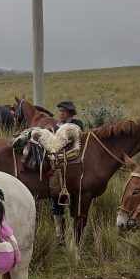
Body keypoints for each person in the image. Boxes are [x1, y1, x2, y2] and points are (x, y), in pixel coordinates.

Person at [50, 101, 85, 238]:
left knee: (74, 200)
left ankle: (71, 230)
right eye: (59, 111)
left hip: (73, 165)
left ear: (70, 113)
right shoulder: (56, 125)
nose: (60, 114)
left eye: (63, 112)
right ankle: (60, 233)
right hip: (57, 165)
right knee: (55, 198)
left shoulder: (77, 124)